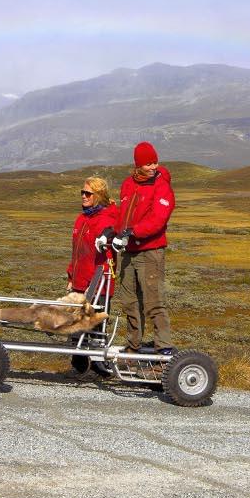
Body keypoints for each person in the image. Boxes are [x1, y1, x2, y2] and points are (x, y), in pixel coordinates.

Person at [112, 141, 175, 352]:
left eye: (155, 162)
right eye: (148, 163)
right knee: (130, 301)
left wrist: (133, 232)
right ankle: (133, 345)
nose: (152, 167)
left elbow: (159, 219)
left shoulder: (162, 186)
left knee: (154, 302)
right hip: (129, 251)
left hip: (150, 251)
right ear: (138, 164)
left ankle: (163, 349)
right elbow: (122, 216)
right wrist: (113, 232)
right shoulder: (128, 184)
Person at [68, 176, 115, 308]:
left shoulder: (106, 220)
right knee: (75, 327)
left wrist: (94, 285)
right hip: (79, 286)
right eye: (82, 192)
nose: (83, 196)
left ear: (99, 196)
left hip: (97, 289)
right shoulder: (81, 219)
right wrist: (71, 278)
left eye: (88, 193)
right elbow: (76, 253)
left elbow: (107, 258)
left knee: (93, 327)